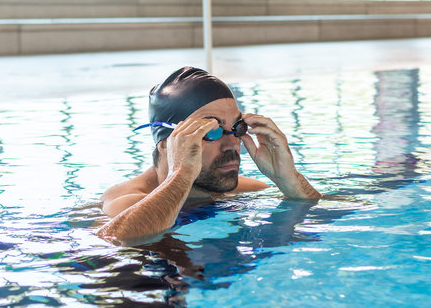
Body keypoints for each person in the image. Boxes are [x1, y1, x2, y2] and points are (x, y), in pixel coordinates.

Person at [97, 66, 322, 244]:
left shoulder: (245, 190)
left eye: (238, 128)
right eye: (210, 131)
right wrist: (182, 174)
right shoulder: (124, 202)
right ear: (166, 144)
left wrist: (288, 179)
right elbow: (117, 238)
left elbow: (326, 218)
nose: (232, 144)